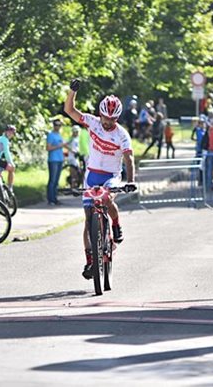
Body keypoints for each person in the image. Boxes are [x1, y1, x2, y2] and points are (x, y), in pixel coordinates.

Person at [64, 79, 136, 280]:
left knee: (106, 199)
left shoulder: (122, 135)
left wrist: (130, 181)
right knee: (88, 220)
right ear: (100, 114)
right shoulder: (93, 122)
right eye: (105, 118)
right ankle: (90, 261)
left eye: (112, 119)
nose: (108, 122)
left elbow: (129, 159)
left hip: (111, 176)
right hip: (92, 174)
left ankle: (115, 223)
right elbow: (70, 110)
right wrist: (73, 91)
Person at [46, 119, 67, 205]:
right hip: (53, 160)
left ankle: (55, 198)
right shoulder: (51, 135)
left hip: (59, 159)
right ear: (54, 125)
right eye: (56, 125)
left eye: (59, 125)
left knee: (56, 181)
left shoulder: (59, 135)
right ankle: (50, 199)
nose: (58, 127)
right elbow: (48, 148)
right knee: (52, 180)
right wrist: (59, 146)